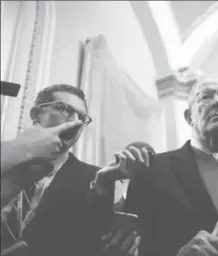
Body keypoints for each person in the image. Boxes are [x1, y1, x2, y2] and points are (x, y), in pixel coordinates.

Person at [120, 77, 218, 256]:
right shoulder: (151, 170)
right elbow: (129, 249)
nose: (217, 102)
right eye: (206, 96)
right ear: (189, 117)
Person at [0, 84, 147, 256]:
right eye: (64, 109)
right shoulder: (7, 163)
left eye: (82, 117)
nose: (76, 122)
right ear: (36, 115)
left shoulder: (94, 180)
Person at [1, 120, 83, 207]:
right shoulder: (11, 168)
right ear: (35, 118)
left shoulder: (93, 181)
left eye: (82, 118)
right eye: (61, 107)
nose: (73, 123)